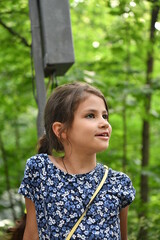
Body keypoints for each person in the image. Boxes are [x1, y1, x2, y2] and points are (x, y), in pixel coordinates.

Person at [18, 82, 135, 240]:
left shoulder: (119, 183)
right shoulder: (41, 169)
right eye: (90, 115)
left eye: (105, 116)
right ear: (61, 130)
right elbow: (32, 235)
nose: (104, 123)